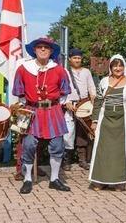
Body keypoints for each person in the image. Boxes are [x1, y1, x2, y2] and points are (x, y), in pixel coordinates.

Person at [12, 36, 72, 194]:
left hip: (53, 111)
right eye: (40, 47)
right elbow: (19, 91)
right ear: (35, 50)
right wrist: (29, 106)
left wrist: (55, 105)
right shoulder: (23, 69)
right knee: (29, 145)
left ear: (51, 51)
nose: (43, 49)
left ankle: (54, 179)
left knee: (57, 145)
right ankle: (27, 179)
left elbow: (65, 92)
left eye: (46, 47)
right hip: (31, 111)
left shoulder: (59, 70)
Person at [88, 55, 126, 191]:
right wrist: (94, 120)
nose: (118, 68)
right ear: (110, 68)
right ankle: (99, 180)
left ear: (124, 67)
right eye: (115, 66)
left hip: (123, 121)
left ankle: (119, 181)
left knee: (120, 152)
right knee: (102, 150)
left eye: (120, 65)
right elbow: (98, 101)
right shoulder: (104, 82)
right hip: (105, 120)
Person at [63, 47, 98, 171]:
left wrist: (93, 97)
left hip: (84, 104)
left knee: (83, 132)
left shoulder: (86, 72)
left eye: (79, 58)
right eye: (75, 58)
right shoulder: (65, 72)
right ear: (70, 59)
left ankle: (82, 160)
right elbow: (62, 89)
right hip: (70, 105)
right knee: (68, 133)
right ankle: (67, 160)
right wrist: (66, 102)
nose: (77, 60)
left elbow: (91, 86)